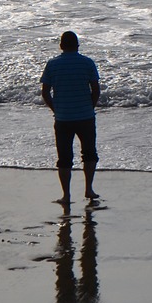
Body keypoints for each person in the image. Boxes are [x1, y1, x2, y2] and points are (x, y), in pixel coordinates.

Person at [40, 30, 101, 207]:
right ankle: (89, 189)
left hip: (63, 118)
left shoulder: (53, 64)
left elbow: (45, 93)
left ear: (61, 46)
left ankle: (66, 195)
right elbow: (96, 90)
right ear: (77, 45)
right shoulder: (87, 63)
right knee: (89, 154)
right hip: (85, 116)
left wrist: (56, 109)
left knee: (64, 157)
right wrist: (90, 107)